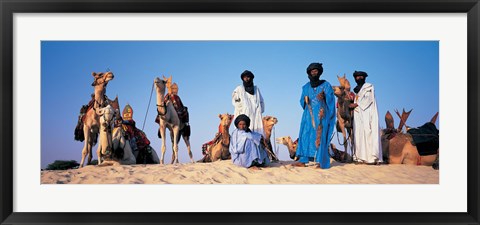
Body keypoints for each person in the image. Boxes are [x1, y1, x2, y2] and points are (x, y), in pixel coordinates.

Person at [294, 62, 336, 169]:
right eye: (312, 71)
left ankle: (320, 162)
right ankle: (303, 160)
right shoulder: (305, 87)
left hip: (321, 114)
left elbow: (331, 101)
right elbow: (301, 102)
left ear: (319, 72)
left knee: (320, 136)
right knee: (305, 135)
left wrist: (324, 98)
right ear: (309, 73)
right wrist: (305, 100)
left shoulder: (326, 85)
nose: (314, 73)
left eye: (316, 71)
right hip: (308, 115)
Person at [349, 71, 382, 165]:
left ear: (364, 77)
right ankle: (360, 158)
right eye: (357, 77)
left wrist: (356, 104)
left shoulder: (368, 86)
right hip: (359, 116)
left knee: (369, 133)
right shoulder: (357, 91)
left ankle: (371, 159)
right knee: (358, 135)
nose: (358, 78)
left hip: (368, 114)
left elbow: (368, 99)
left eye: (360, 76)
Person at [232, 70, 265, 135]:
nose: (246, 79)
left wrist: (258, 110)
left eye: (248, 77)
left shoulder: (256, 89)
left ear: (251, 78)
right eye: (244, 77)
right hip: (244, 115)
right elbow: (235, 101)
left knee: (256, 136)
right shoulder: (239, 89)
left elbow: (261, 102)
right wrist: (243, 108)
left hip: (255, 117)